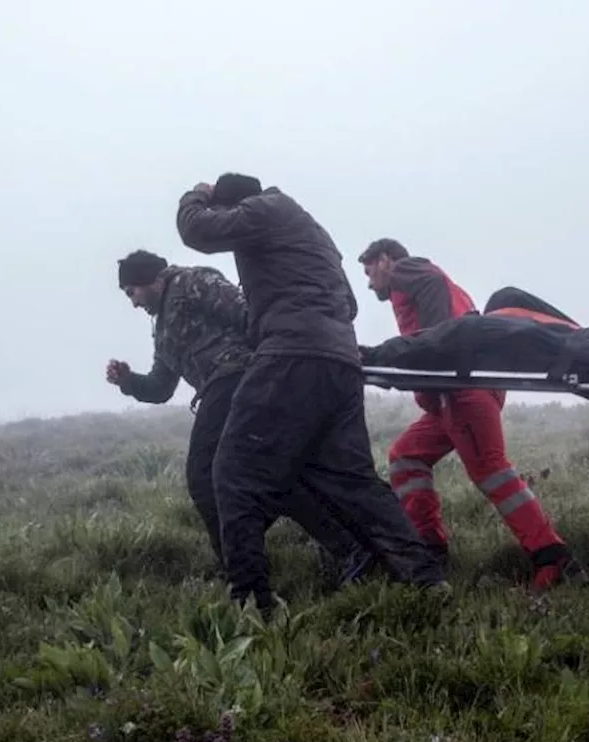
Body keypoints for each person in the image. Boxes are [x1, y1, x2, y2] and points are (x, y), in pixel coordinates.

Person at [175, 173, 449, 615]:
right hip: (337, 362)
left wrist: (197, 196)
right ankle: (425, 577)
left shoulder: (266, 209)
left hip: (291, 356)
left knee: (232, 470)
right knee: (353, 479)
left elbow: (198, 231)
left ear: (236, 204)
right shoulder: (311, 233)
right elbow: (350, 305)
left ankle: (252, 599)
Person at [106, 249, 371, 586]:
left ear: (151, 278)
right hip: (219, 389)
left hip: (241, 377)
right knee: (269, 477)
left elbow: (250, 314)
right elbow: (160, 387)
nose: (133, 302)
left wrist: (285, 364)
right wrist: (128, 381)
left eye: (132, 291)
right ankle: (343, 548)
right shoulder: (163, 329)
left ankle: (238, 568)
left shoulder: (192, 281)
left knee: (203, 474)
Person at [357, 238, 577, 591]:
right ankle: (429, 546)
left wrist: (388, 354)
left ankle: (550, 554)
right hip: (454, 393)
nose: (370, 283)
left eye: (369, 272)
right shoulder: (430, 287)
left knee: (491, 470)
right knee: (406, 456)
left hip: (463, 392)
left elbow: (440, 336)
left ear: (385, 260)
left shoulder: (407, 271)